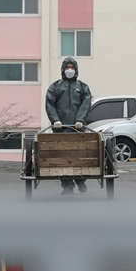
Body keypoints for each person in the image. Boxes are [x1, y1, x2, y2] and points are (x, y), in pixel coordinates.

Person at [45, 57, 93, 195]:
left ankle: (80, 180)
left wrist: (81, 120)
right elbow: (49, 104)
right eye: (67, 67)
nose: (70, 70)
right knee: (63, 157)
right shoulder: (55, 87)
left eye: (72, 67)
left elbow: (86, 103)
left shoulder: (82, 87)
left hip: (78, 128)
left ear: (76, 70)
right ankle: (67, 186)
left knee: (79, 154)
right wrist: (55, 120)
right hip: (60, 128)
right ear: (63, 69)